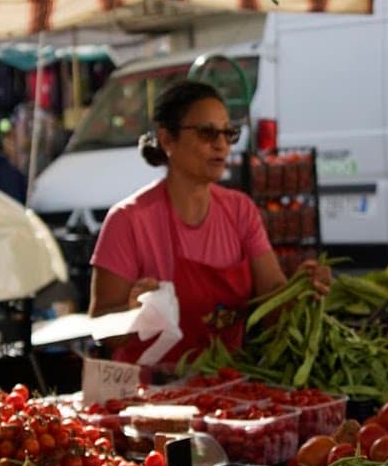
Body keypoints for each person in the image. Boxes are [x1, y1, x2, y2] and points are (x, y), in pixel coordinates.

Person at [89, 80, 329, 364]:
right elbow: (101, 329)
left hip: (223, 383)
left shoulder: (240, 211)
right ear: (167, 139)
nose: (221, 145)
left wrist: (301, 290)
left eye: (228, 133)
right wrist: (132, 312)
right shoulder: (128, 219)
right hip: (149, 385)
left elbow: (272, 306)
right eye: (207, 133)